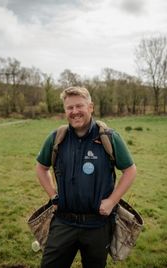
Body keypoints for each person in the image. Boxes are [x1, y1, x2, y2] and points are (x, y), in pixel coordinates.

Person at [36, 86, 136, 268]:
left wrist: (112, 201)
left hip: (98, 225)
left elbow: (130, 170)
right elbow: (41, 168)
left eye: (79, 106)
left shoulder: (109, 137)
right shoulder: (56, 138)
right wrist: (52, 195)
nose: (74, 112)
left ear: (91, 107)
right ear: (65, 110)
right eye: (69, 108)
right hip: (63, 222)